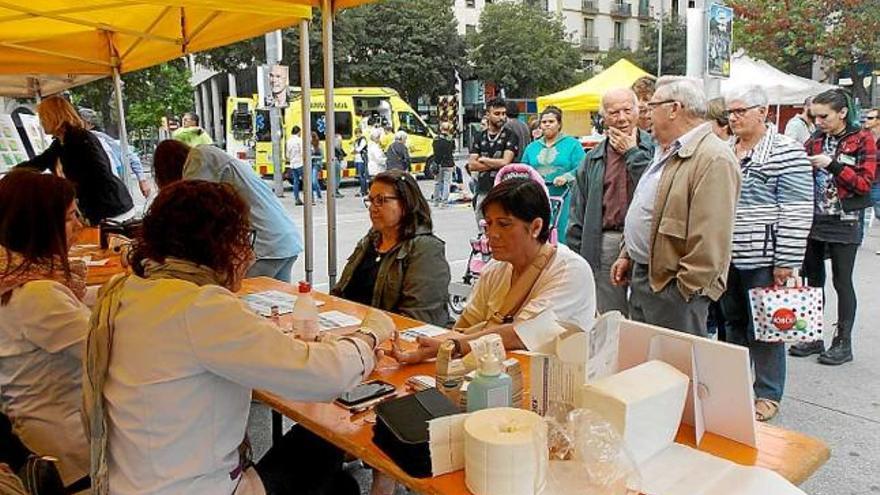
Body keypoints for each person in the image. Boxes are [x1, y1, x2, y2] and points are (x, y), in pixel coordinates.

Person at [82, 180, 393, 495]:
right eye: (244, 239)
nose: (252, 255)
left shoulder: (126, 290)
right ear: (215, 244)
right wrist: (370, 334)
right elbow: (325, 376)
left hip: (130, 480)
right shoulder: (199, 306)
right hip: (194, 487)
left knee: (332, 473)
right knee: (326, 444)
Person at [395, 178, 596, 363]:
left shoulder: (570, 271)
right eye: (489, 224)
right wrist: (435, 346)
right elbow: (465, 325)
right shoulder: (495, 268)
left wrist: (455, 346)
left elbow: (522, 334)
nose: (493, 234)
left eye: (504, 224)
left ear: (535, 227)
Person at [610, 76, 741, 337]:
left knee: (676, 370)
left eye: (652, 106)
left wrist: (684, 289)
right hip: (645, 275)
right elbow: (648, 207)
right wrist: (628, 253)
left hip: (673, 288)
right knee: (648, 366)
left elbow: (711, 237)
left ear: (674, 109)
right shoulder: (667, 150)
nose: (646, 115)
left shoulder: (713, 157)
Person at [722, 86, 815, 422]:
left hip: (764, 256)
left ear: (762, 112)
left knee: (768, 328)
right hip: (727, 256)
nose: (733, 118)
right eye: (730, 112)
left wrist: (786, 260)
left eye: (740, 111)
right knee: (732, 324)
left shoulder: (787, 151)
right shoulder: (726, 149)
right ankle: (733, 387)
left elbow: (797, 210)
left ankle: (768, 393)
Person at [0, 170, 89, 488]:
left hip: (34, 429)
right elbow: (108, 351)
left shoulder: (13, 275)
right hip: (69, 452)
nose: (80, 225)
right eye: (69, 217)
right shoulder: (37, 294)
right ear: (37, 224)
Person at [789, 88, 877, 365]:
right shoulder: (815, 139)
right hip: (814, 218)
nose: (819, 122)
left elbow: (865, 183)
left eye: (824, 116)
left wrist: (833, 165)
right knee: (813, 281)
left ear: (842, 113)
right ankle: (812, 336)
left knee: (842, 280)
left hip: (845, 219)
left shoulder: (862, 139)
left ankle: (843, 342)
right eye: (815, 117)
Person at [152, 140, 304, 282]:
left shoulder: (201, 156)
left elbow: (187, 206)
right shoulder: (217, 160)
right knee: (279, 305)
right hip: (283, 238)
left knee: (245, 302)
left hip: (263, 245)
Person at [567, 88, 654, 316]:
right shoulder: (593, 158)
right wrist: (577, 256)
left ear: (638, 111)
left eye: (627, 110)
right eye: (614, 112)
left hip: (646, 242)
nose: (622, 118)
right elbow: (578, 212)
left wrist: (632, 153)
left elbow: (657, 189)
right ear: (603, 117)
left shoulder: (655, 149)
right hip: (606, 241)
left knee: (647, 315)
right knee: (611, 316)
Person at [333, 170, 451, 327]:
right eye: (371, 200)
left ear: (406, 203)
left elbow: (417, 318)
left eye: (381, 200)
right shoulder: (370, 240)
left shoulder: (426, 249)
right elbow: (340, 292)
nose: (373, 208)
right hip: (357, 331)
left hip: (395, 341)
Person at [16, 96, 134, 225]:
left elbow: (101, 172)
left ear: (54, 117)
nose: (41, 122)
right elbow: (38, 163)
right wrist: (12, 173)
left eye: (43, 117)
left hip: (110, 208)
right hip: (94, 208)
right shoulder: (59, 143)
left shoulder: (80, 138)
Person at [521, 106, 586, 238]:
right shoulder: (532, 147)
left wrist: (567, 177)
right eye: (544, 122)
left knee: (561, 232)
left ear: (559, 124)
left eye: (551, 122)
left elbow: (583, 167)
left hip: (564, 196)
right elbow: (523, 169)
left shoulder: (572, 144)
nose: (547, 125)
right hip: (537, 197)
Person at [78, 108, 152, 199]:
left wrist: (142, 180)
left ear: (88, 124)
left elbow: (130, 156)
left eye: (78, 121)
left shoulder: (98, 138)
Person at [468, 98, 519, 223]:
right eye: (497, 114)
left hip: (505, 189)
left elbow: (506, 162)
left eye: (503, 114)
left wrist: (484, 159)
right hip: (483, 188)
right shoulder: (479, 137)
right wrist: (497, 163)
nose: (501, 117)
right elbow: (472, 165)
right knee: (482, 224)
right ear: (487, 115)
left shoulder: (511, 136)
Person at [862, 107, 880, 245]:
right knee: (858, 210)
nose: (866, 120)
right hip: (863, 177)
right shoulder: (863, 136)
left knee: (879, 211)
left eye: (870, 118)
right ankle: (857, 240)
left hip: (877, 179)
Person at [432, 122, 457, 207]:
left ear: (440, 128)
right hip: (448, 163)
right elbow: (452, 151)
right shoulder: (451, 140)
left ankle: (436, 201)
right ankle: (444, 202)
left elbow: (435, 152)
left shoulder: (436, 140)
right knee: (447, 183)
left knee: (437, 183)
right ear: (449, 129)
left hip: (438, 164)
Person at [285, 125, 306, 205]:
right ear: (298, 132)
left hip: (292, 164)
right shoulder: (299, 140)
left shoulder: (289, 141)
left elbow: (287, 155)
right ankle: (308, 198)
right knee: (306, 181)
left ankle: (297, 199)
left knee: (296, 182)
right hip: (300, 163)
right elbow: (302, 152)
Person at [353, 127, 370, 197]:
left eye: (358, 133)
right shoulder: (356, 140)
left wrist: (355, 150)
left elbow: (359, 149)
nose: (357, 135)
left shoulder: (363, 140)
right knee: (359, 176)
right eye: (356, 133)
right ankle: (362, 190)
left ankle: (364, 190)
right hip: (357, 159)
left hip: (361, 160)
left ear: (360, 133)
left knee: (361, 176)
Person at [310, 132, 325, 201]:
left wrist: (313, 157)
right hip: (309, 165)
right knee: (309, 182)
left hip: (316, 164)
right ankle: (312, 198)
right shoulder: (308, 145)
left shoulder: (319, 145)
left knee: (314, 181)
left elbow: (322, 156)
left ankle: (319, 196)